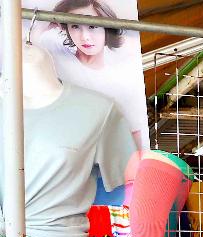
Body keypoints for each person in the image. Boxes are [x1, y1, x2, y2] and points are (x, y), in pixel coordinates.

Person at [34, 0, 147, 150]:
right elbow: (28, 43)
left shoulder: (121, 80)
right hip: (57, 149)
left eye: (92, 26)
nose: (85, 37)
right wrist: (53, 20)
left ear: (107, 28)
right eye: (75, 26)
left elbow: (135, 138)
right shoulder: (55, 52)